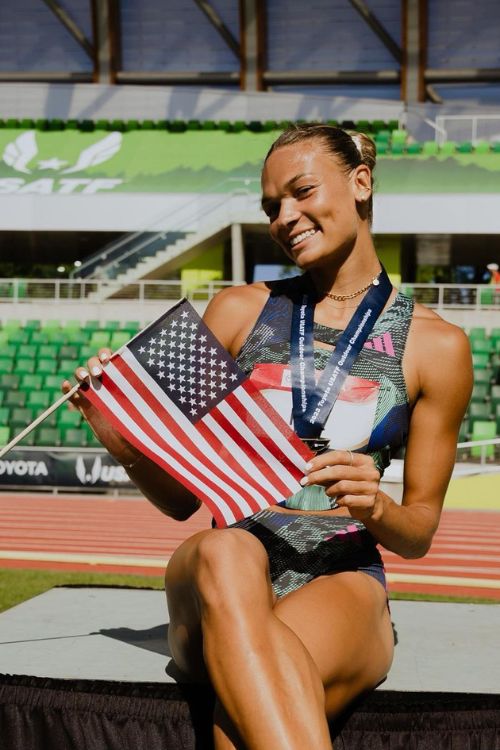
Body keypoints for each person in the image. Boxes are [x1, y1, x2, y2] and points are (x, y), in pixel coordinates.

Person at [64, 123, 473, 749]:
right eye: (271, 206)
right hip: (224, 571)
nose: (285, 216)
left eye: (302, 192)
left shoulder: (438, 346)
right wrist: (117, 432)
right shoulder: (233, 311)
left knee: (256, 697)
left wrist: (379, 505)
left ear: (360, 183)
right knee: (228, 552)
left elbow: (417, 533)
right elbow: (180, 500)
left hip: (342, 574)